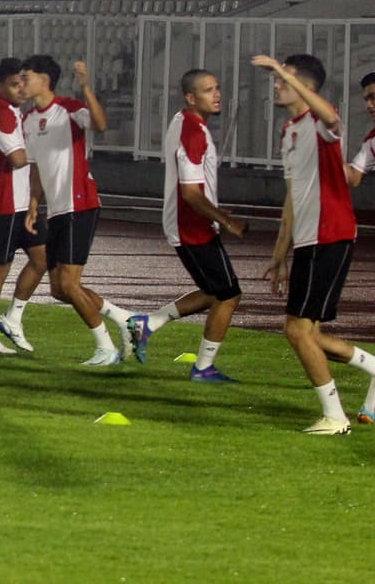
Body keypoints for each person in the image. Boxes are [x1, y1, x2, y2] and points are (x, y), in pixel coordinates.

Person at [252, 54, 375, 434]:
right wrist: (280, 253)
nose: (275, 85)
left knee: (297, 331)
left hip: (331, 235)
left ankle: (335, 418)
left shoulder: (321, 124)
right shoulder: (289, 131)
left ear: (304, 85)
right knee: (311, 334)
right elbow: (292, 196)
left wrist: (279, 67)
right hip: (308, 240)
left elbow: (332, 117)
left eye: (281, 80)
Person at [127, 69, 248, 381]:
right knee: (229, 295)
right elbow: (191, 193)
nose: (217, 94)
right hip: (192, 227)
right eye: (208, 90)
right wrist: (227, 220)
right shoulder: (193, 132)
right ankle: (203, 367)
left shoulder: (184, 121)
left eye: (217, 87)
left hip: (189, 224)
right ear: (191, 98)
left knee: (213, 291)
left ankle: (148, 324)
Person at [20, 55, 136, 366]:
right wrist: (34, 204)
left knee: (69, 284)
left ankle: (106, 348)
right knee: (59, 289)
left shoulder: (69, 109)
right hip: (57, 209)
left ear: (45, 80)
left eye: (26, 77)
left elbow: (100, 124)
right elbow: (35, 166)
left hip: (79, 203)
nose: (22, 83)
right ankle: (125, 319)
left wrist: (86, 86)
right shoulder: (28, 119)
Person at [0, 58, 47, 354]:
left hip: (20, 203)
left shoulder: (16, 113)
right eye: (13, 84)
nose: (20, 89)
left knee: (43, 258)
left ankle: (12, 319)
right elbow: (18, 159)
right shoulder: (0, 112)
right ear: (0, 86)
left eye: (22, 83)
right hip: (1, 203)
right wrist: (44, 148)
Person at [344, 71, 375, 188]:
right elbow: (353, 179)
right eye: (366, 100)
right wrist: (333, 144)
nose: (369, 105)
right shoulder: (371, 141)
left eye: (373, 97)